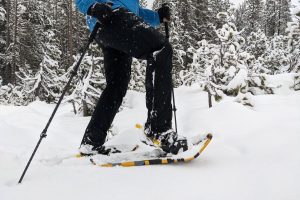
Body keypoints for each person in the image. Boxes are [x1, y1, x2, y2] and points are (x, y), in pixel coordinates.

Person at [75, 0, 189, 155]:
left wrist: (156, 17)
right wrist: (92, 6)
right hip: (112, 16)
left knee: (116, 85)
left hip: (110, 25)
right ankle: (158, 129)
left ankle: (92, 142)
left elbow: (135, 10)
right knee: (161, 48)